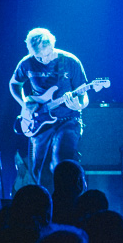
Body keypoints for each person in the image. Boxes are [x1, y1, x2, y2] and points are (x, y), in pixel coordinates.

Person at [9, 28, 89, 190]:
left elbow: (84, 97)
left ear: (53, 45)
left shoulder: (70, 62)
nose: (43, 60)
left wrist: (79, 105)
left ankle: (69, 199)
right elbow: (14, 84)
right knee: (39, 168)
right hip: (39, 120)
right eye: (38, 57)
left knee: (62, 160)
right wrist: (25, 104)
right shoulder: (27, 63)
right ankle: (46, 201)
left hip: (67, 119)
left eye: (46, 55)